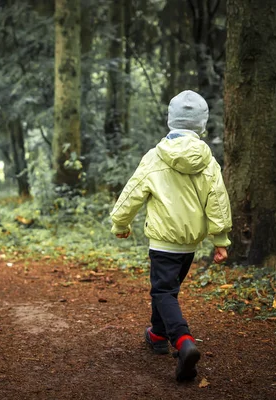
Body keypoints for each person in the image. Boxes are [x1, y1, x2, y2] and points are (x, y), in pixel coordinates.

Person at [110, 90, 232, 382]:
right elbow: (217, 199)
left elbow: (133, 192)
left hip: (163, 242)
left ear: (170, 121)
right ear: (201, 125)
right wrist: (220, 239)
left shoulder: (155, 157)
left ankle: (183, 341)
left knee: (163, 291)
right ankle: (157, 335)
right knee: (168, 291)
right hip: (189, 244)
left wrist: (120, 223)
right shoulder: (208, 161)